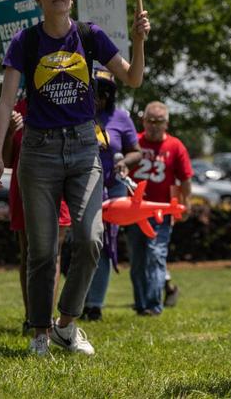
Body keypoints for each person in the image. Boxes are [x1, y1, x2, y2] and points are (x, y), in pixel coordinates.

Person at [0, 0, 150, 357]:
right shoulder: (25, 41)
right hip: (38, 152)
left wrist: (141, 41)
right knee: (42, 251)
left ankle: (66, 324)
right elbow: (7, 102)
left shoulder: (91, 36)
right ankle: (40, 332)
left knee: (91, 239)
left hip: (82, 148)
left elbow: (133, 79)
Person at [2, 94, 72, 333]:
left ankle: (46, 319)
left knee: (52, 254)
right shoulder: (16, 108)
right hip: (23, 189)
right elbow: (4, 160)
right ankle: (31, 316)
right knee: (29, 254)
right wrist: (10, 131)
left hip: (57, 189)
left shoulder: (64, 101)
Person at [81, 66, 142, 321]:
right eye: (94, 93)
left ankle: (94, 304)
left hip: (113, 187)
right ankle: (76, 301)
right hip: (82, 185)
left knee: (104, 243)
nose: (98, 99)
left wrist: (125, 162)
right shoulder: (76, 116)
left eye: (103, 94)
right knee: (82, 242)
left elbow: (136, 151)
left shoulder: (120, 118)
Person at [126, 101, 191, 316]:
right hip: (134, 211)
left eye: (159, 122)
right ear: (143, 121)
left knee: (156, 255)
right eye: (150, 121)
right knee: (137, 259)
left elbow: (184, 179)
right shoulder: (134, 141)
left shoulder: (175, 146)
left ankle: (153, 306)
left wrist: (186, 202)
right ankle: (141, 304)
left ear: (167, 123)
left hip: (161, 212)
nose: (154, 126)